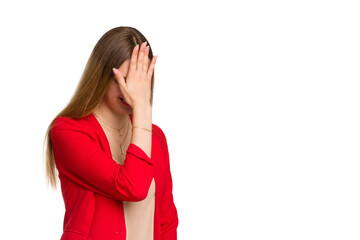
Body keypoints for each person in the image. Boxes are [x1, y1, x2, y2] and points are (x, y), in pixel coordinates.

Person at [43, 26, 179, 240]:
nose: (131, 91)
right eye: (124, 79)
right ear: (101, 76)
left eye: (138, 82)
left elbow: (167, 221)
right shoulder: (67, 132)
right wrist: (143, 109)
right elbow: (132, 187)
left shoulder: (156, 138)